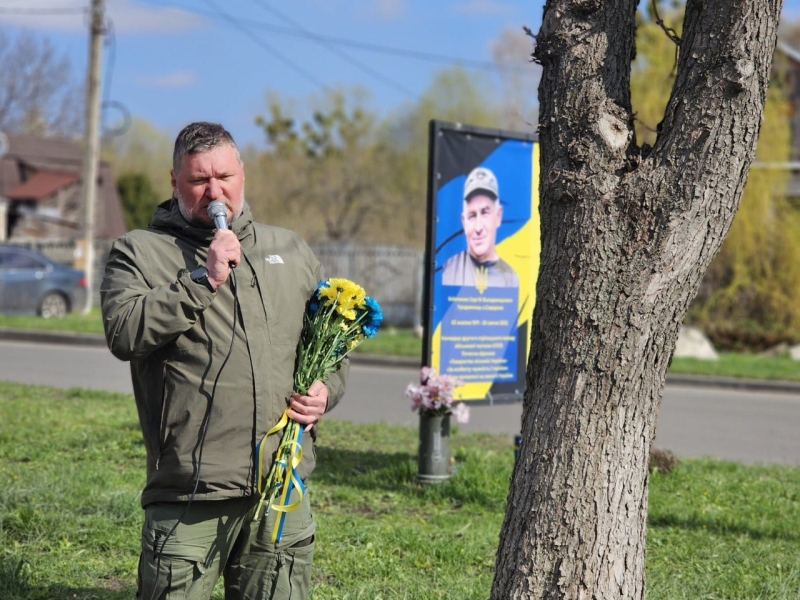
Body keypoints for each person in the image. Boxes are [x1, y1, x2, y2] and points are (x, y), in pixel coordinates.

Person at [101, 122, 348, 600]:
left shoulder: (290, 250)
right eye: (198, 181)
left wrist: (326, 391)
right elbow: (124, 333)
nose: (214, 192)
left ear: (242, 175)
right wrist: (202, 278)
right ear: (174, 183)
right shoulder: (139, 252)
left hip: (281, 489)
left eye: (224, 177)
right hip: (190, 495)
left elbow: (331, 343)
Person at [440, 166, 519, 288]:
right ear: (464, 221)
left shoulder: (511, 280)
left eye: (485, 213)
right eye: (472, 216)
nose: (478, 228)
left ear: (498, 216)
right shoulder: (447, 272)